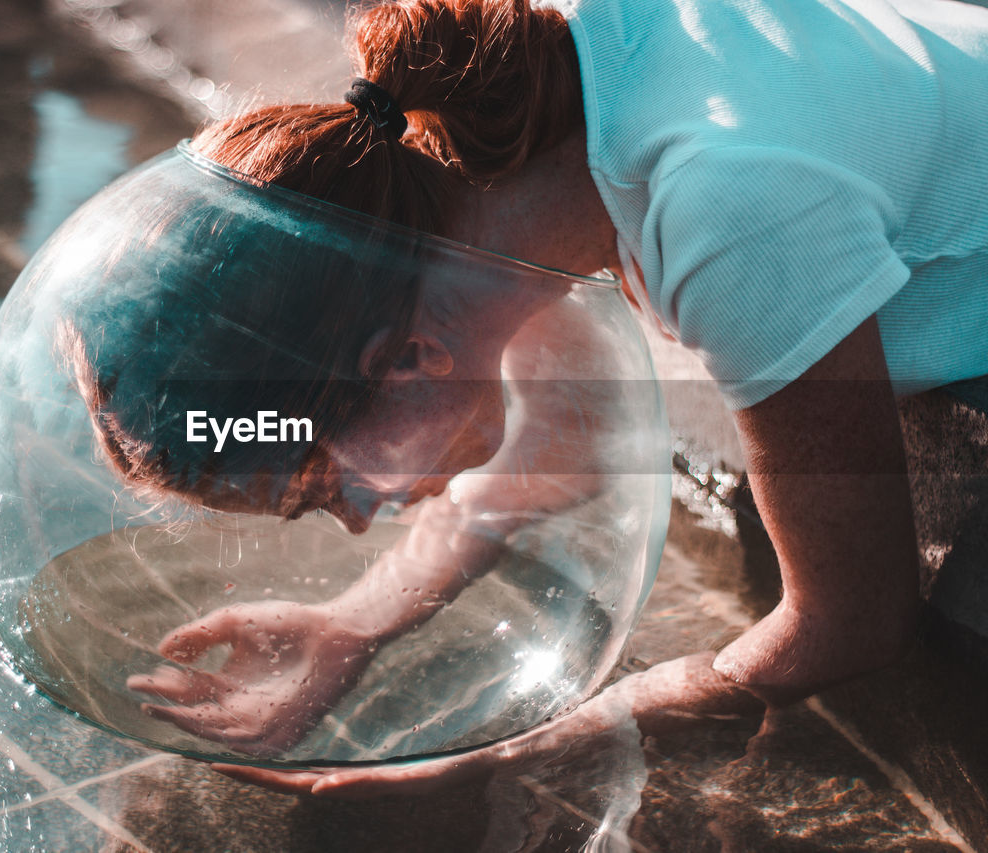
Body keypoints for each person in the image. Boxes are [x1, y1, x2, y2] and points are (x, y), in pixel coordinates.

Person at [89, 0, 988, 793]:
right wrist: (349, 625)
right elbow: (560, 448)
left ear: (406, 360)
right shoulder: (504, 156)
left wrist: (519, 755)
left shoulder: (728, 208)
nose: (361, 518)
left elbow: (850, 621)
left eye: (330, 486)